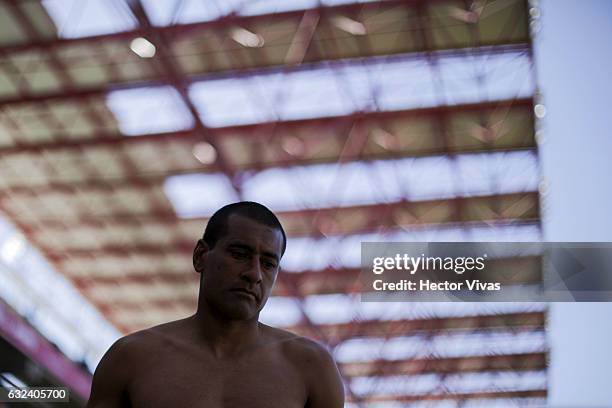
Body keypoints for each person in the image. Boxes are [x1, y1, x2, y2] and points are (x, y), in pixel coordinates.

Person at [87, 201, 345, 408]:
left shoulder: (311, 368)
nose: (254, 274)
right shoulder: (131, 358)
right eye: (239, 254)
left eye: (268, 263)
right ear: (201, 256)